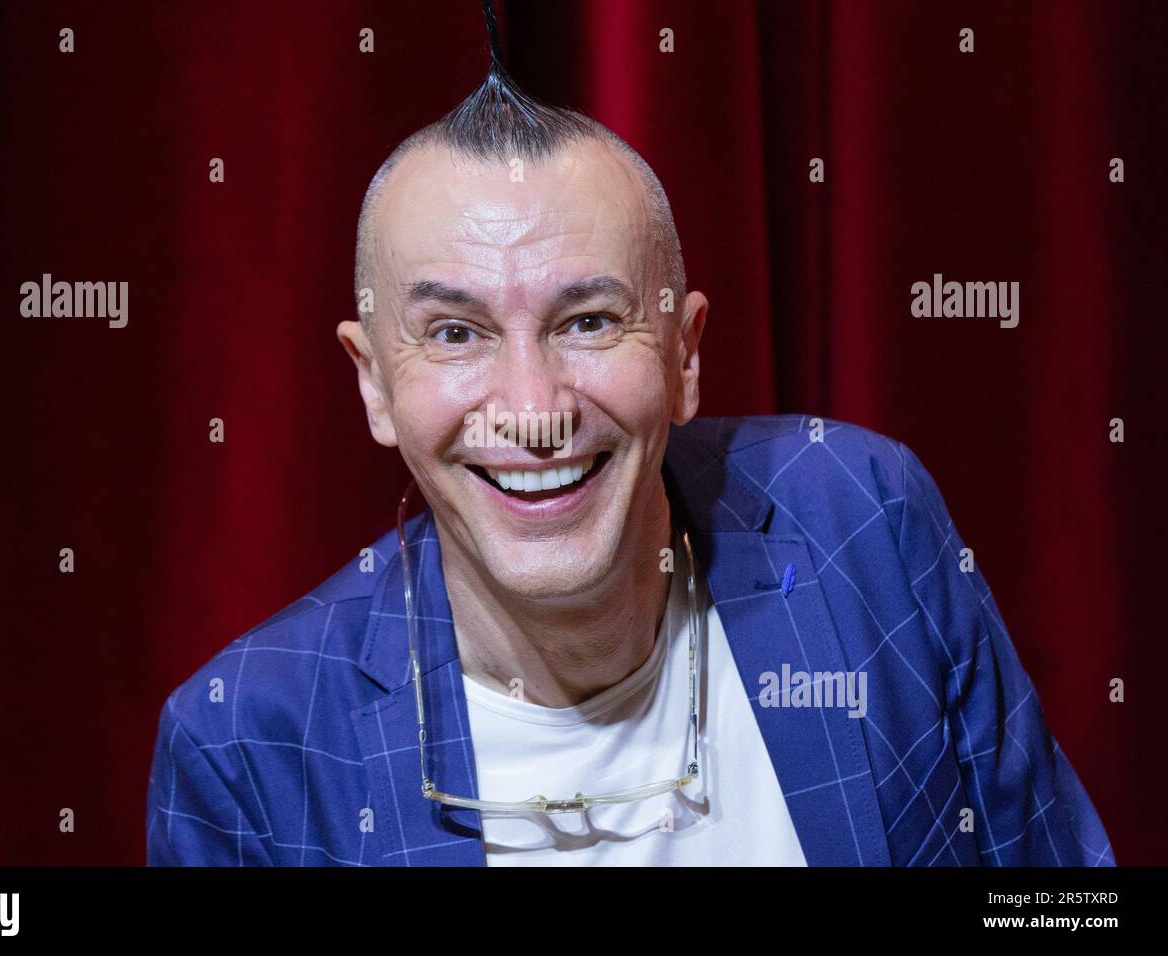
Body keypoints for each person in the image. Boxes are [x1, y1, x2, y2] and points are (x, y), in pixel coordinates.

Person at [145, 53, 1113, 868]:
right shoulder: (245, 747)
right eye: (454, 332)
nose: (532, 409)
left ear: (683, 354)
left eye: (590, 319)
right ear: (372, 385)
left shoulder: (865, 522)